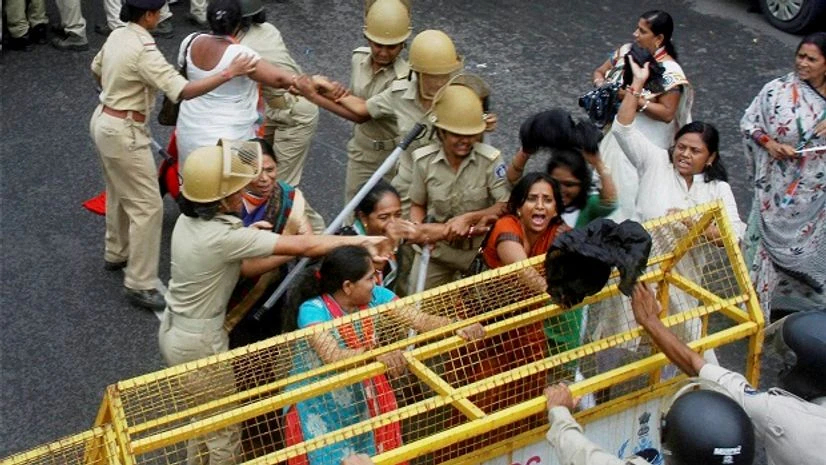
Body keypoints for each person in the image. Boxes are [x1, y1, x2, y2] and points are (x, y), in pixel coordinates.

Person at [158, 142, 393, 465]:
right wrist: (359, 240)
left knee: (203, 423)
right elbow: (305, 244)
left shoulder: (191, 223)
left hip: (176, 330)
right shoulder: (224, 237)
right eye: (238, 190)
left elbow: (240, 261)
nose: (244, 193)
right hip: (201, 342)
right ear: (222, 199)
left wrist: (251, 237)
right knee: (224, 433)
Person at [89, 0, 258, 311]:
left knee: (117, 188)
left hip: (103, 119)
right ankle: (140, 283)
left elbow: (96, 70)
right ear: (150, 15)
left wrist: (117, 91)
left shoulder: (117, 36)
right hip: (126, 129)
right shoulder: (144, 50)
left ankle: (117, 250)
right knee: (147, 206)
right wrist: (227, 73)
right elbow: (181, 90)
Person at [283, 245, 485, 465]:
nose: (376, 282)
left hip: (361, 400)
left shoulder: (377, 296)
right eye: (370, 278)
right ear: (348, 286)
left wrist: (457, 326)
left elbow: (421, 320)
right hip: (318, 407)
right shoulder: (312, 310)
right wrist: (376, 354)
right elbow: (333, 356)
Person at [630, 282, 826, 465]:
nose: (782, 368)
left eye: (787, 363)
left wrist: (650, 321)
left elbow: (698, 367)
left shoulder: (785, 417)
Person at [174, 0, 337, 165]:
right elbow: (280, 79)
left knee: (195, 183)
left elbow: (184, 83)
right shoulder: (245, 51)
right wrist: (314, 82)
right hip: (231, 137)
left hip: (190, 130)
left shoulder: (190, 41)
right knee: (265, 180)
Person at [740, 32, 826, 322]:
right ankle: (754, 305)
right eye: (800, 56)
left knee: (807, 252)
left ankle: (798, 305)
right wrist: (770, 144)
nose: (803, 63)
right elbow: (749, 123)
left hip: (814, 196)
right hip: (775, 192)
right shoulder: (776, 91)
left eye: (811, 59)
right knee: (765, 249)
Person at [593, 10, 694, 221]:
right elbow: (599, 72)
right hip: (616, 139)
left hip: (644, 148)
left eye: (642, 31)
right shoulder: (626, 52)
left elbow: (667, 113)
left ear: (659, 39)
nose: (635, 34)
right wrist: (602, 88)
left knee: (629, 202)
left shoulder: (670, 72)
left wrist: (632, 97)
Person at [408, 83, 510, 290]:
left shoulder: (491, 159)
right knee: (416, 306)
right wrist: (420, 232)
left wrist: (468, 218)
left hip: (478, 252)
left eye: (470, 134)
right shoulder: (423, 161)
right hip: (438, 250)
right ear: (441, 132)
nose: (465, 141)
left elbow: (504, 205)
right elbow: (417, 204)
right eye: (456, 135)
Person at [225, 138, 317, 348]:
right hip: (231, 288)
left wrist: (301, 246)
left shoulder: (288, 198)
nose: (265, 178)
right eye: (256, 171)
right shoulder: (228, 198)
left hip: (270, 287)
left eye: (270, 169)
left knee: (266, 350)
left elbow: (307, 240)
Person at [235, 0, 320, 188]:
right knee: (256, 168)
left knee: (279, 185)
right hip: (277, 107)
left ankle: (296, 216)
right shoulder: (268, 28)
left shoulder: (243, 47)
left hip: (295, 114)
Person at [343, 0, 412, 202]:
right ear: (367, 38)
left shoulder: (405, 79)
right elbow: (352, 96)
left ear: (403, 44)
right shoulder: (358, 59)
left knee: (388, 216)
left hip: (392, 158)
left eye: (392, 47)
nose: (383, 52)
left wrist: (323, 93)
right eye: (377, 45)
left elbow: (362, 112)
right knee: (351, 213)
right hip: (361, 150)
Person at [546, 149, 617, 229]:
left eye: (569, 185)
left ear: (582, 185)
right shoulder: (539, 203)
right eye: (555, 183)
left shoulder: (588, 206)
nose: (560, 189)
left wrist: (598, 164)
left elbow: (609, 203)